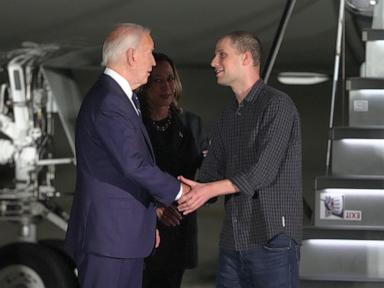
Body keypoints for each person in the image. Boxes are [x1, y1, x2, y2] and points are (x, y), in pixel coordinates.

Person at [64, 23, 190, 288]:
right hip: (108, 240)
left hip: (123, 237)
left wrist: (144, 228)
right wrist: (180, 191)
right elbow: (133, 165)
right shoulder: (108, 101)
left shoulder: (121, 98)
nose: (153, 62)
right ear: (132, 55)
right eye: (150, 53)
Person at [178, 31, 303, 288]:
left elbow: (263, 172)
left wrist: (208, 189)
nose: (213, 62)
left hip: (273, 240)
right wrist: (182, 191)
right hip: (233, 243)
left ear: (246, 58)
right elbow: (210, 177)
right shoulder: (226, 117)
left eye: (222, 55)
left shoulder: (278, 106)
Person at [138, 52, 205, 288]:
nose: (166, 86)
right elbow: (130, 173)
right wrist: (155, 207)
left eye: (170, 79)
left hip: (180, 227)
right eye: (157, 80)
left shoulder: (190, 123)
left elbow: (199, 170)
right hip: (145, 226)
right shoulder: (135, 126)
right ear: (144, 86)